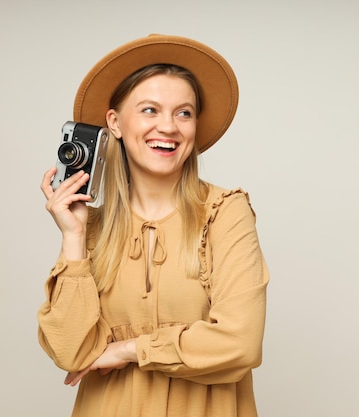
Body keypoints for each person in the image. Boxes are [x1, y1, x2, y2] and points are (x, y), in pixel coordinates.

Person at [37, 34, 269, 417]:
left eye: (184, 113)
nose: (169, 127)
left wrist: (130, 349)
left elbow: (240, 342)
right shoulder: (91, 227)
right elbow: (70, 351)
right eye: (149, 110)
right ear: (114, 122)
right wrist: (73, 238)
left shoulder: (225, 212)